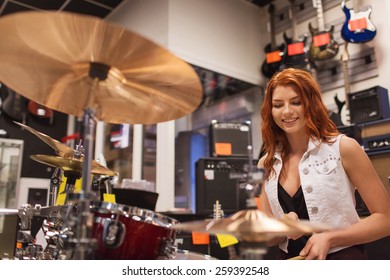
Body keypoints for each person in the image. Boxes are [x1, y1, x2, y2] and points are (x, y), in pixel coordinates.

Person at [257, 68, 390, 260]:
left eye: (296, 102)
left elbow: (385, 219)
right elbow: (268, 238)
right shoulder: (266, 164)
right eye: (278, 105)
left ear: (311, 104)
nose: (287, 111)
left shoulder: (344, 148)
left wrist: (331, 238)